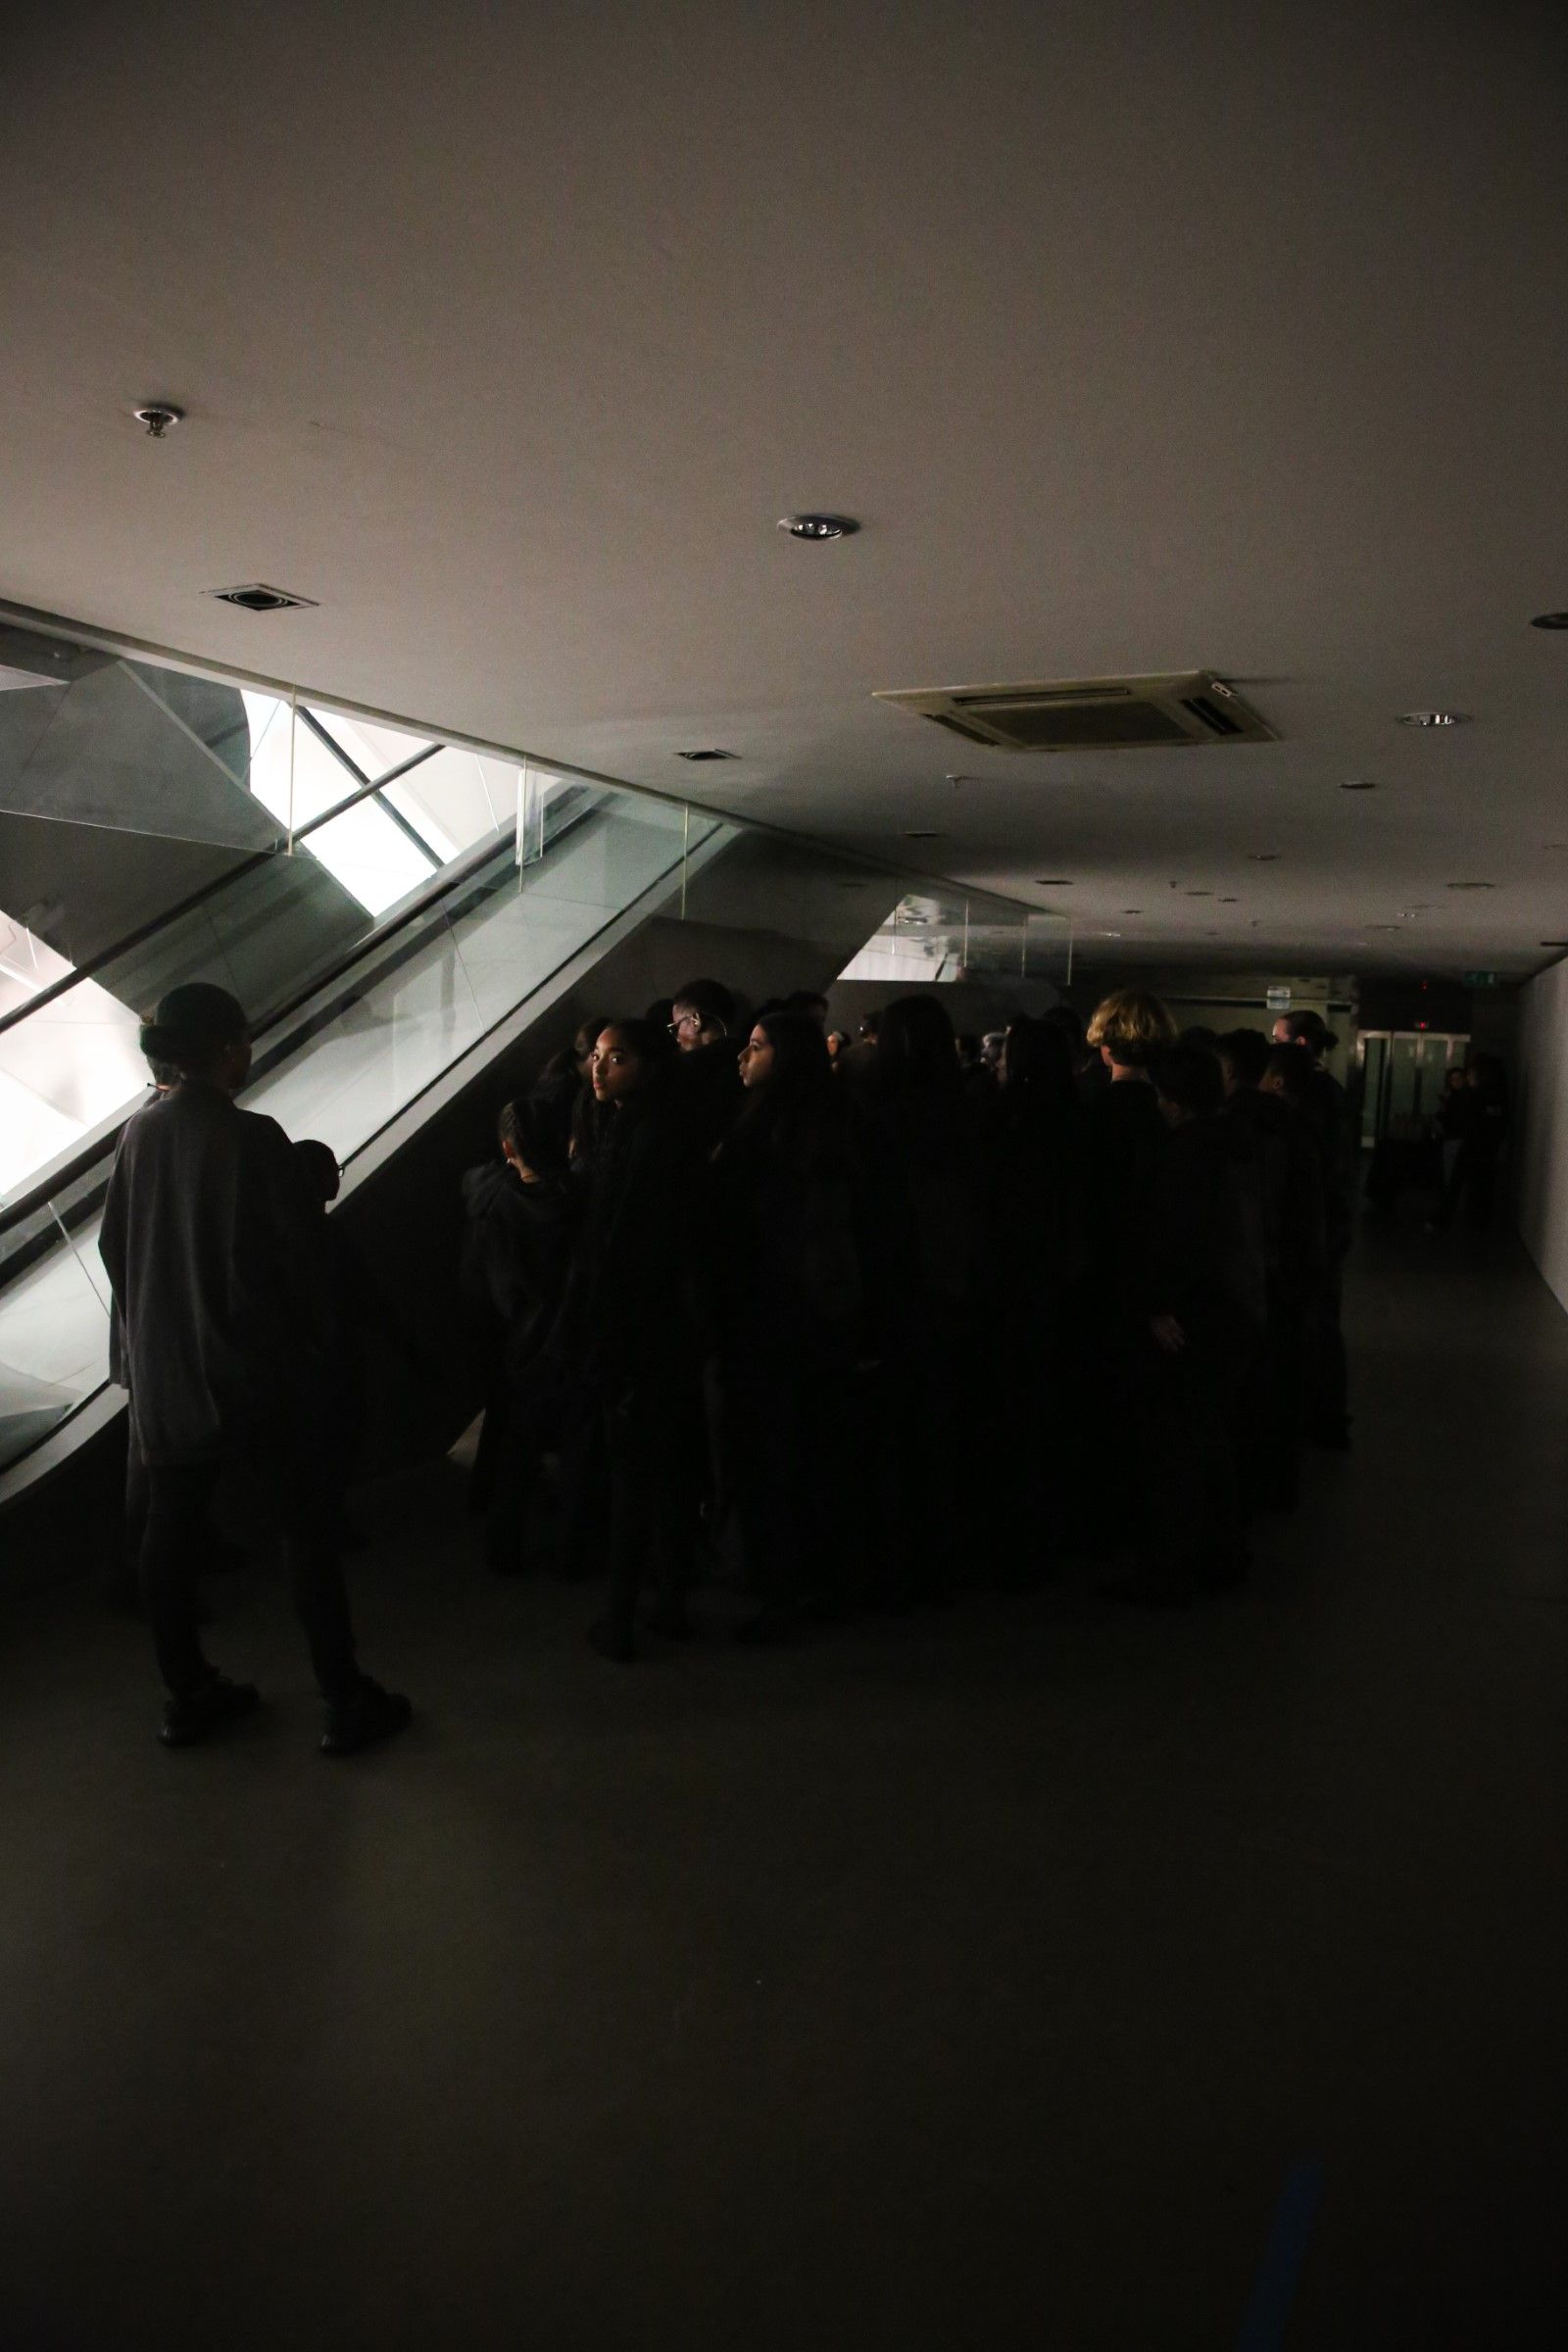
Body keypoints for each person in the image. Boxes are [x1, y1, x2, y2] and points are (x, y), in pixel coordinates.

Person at [98, 983, 411, 1754]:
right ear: (225, 1047)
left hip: (169, 1374)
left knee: (169, 1534)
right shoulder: (252, 1137)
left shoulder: (139, 1135)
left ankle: (188, 1694)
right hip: (255, 1374)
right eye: (242, 1039)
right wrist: (311, 1346)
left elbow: (115, 1248)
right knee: (304, 1532)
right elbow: (302, 1260)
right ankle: (343, 1698)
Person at [709, 1011, 868, 1638]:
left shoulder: (781, 1129)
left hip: (776, 1312)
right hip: (799, 1314)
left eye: (755, 1046)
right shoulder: (820, 1118)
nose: (742, 1057)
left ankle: (783, 1587)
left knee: (775, 1455)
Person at [559, 1019, 706, 1659]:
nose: (599, 1068)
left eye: (616, 1058)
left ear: (647, 1066)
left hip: (636, 1324)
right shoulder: (658, 1126)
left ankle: (619, 1617)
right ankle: (668, 1601)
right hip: (667, 1324)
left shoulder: (640, 1136)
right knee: (668, 1468)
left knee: (633, 1469)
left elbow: (622, 1244)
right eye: (597, 1056)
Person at [1110, 1042, 1266, 1604]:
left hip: (1197, 1314)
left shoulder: (1185, 1154)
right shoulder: (1237, 1144)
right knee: (1209, 1438)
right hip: (1236, 1309)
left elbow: (1175, 1239)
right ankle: (1221, 1553)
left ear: (1172, 1100)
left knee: (1173, 1447)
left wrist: (1156, 1305)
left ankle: (1169, 1569)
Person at [973, 1016, 1086, 1575]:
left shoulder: (1005, 1120)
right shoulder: (1076, 1118)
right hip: (1062, 1287)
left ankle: (1008, 1537)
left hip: (1009, 1284)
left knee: (1008, 1412)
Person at [460, 1099, 577, 1571]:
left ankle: (503, 1543)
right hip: (569, 1331)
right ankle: (571, 1543)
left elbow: (500, 1286)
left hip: (521, 1337)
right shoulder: (578, 1200)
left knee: (517, 1442)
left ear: (508, 1149)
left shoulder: (495, 1201)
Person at [1218, 1031, 1325, 1512]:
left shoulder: (1238, 1128)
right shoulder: (1299, 1126)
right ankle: (1278, 1483)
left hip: (1256, 1277)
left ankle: (1247, 1492)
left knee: (1246, 1392)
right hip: (1294, 1276)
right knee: (1282, 1386)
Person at [1271, 1010, 1353, 1447]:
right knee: (1322, 1322)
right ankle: (1326, 1417)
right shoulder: (1331, 1093)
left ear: (1299, 1043)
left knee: (1316, 1324)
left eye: (1278, 1038)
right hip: (1329, 1225)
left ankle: (1321, 1418)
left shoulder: (1311, 1099)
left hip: (1318, 1228)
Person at [667, 976, 746, 1154]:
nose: (677, 1037)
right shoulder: (750, 1058)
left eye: (677, 1026)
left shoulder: (685, 1070)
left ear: (696, 1021)